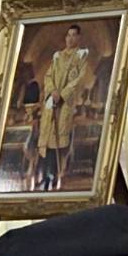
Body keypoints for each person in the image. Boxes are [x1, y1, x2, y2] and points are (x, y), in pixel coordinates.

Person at [36, 24, 89, 190]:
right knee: (46, 139)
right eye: (68, 35)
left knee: (58, 141)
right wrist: (52, 91)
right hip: (52, 101)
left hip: (65, 104)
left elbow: (79, 80)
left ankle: (56, 176)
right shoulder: (57, 56)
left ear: (78, 37)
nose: (70, 39)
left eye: (74, 35)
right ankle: (45, 176)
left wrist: (63, 94)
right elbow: (48, 76)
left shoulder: (81, 56)